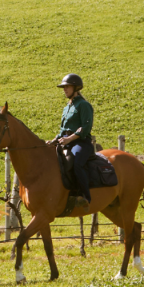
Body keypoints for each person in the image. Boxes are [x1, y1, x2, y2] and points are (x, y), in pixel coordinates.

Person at [53, 73, 95, 211]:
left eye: (67, 87)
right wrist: (54, 140)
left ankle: (85, 197)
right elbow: (63, 129)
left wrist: (69, 139)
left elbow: (86, 127)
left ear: (76, 88)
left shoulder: (84, 105)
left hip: (81, 143)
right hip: (66, 142)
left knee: (77, 162)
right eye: (63, 87)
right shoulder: (67, 107)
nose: (65, 89)